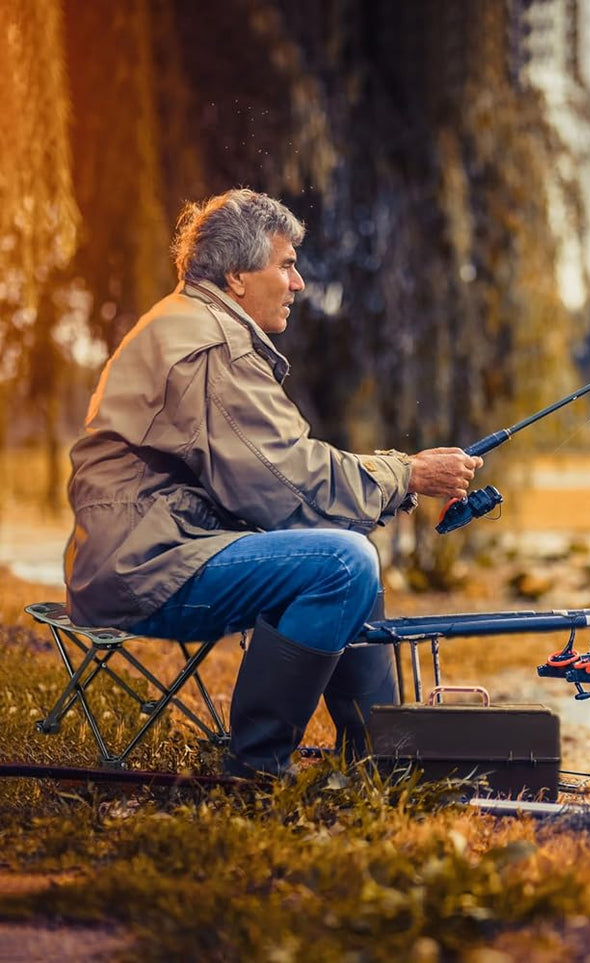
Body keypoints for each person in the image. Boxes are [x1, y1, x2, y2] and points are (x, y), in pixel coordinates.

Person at [64, 188, 481, 777]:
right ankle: (259, 767)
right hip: (145, 570)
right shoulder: (214, 346)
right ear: (237, 275)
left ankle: (389, 758)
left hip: (138, 556)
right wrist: (407, 472)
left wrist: (389, 481)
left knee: (341, 547)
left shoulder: (189, 322)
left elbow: (281, 482)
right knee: (342, 562)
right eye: (285, 264)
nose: (299, 282)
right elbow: (291, 484)